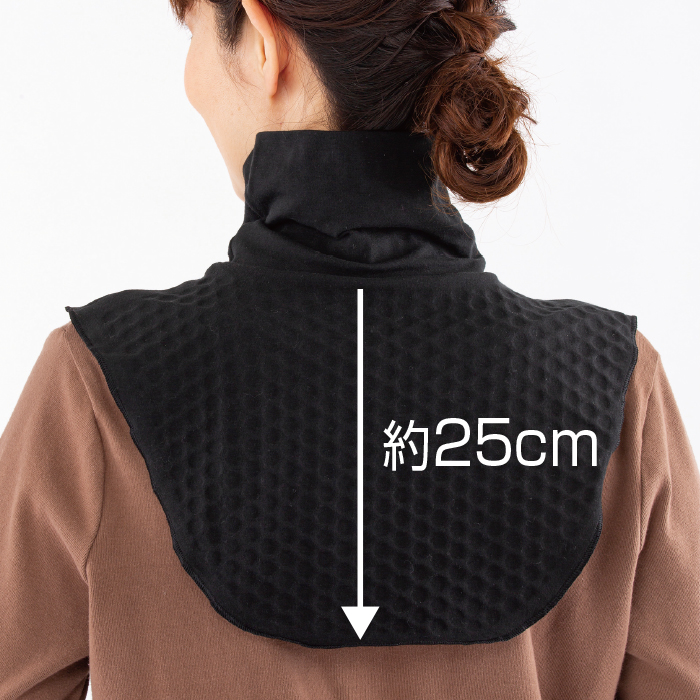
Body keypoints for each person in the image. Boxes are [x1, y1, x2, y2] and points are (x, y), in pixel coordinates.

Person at [1, 0, 698, 698]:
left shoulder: (97, 383)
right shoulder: (617, 386)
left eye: (196, 30)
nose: (192, 78)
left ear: (263, 41)